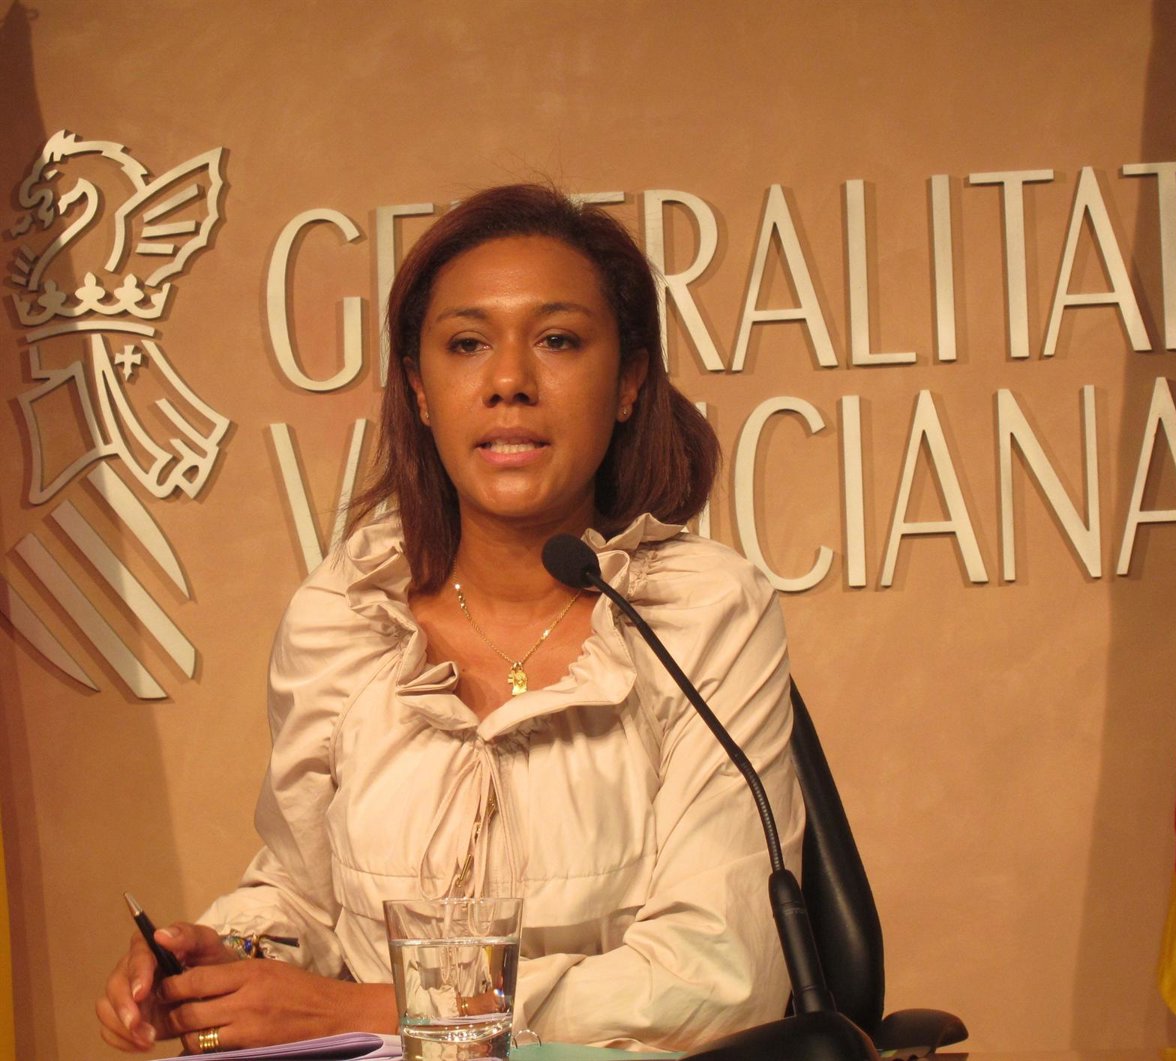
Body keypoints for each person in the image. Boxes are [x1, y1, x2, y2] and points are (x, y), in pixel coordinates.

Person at [97, 184, 804, 1054]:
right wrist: (226, 957)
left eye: (558, 340)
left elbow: (719, 972)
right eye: (467, 344)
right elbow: (303, 896)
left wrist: (380, 1010)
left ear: (627, 382)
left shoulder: (703, 610)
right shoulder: (343, 614)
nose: (509, 383)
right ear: (420, 389)